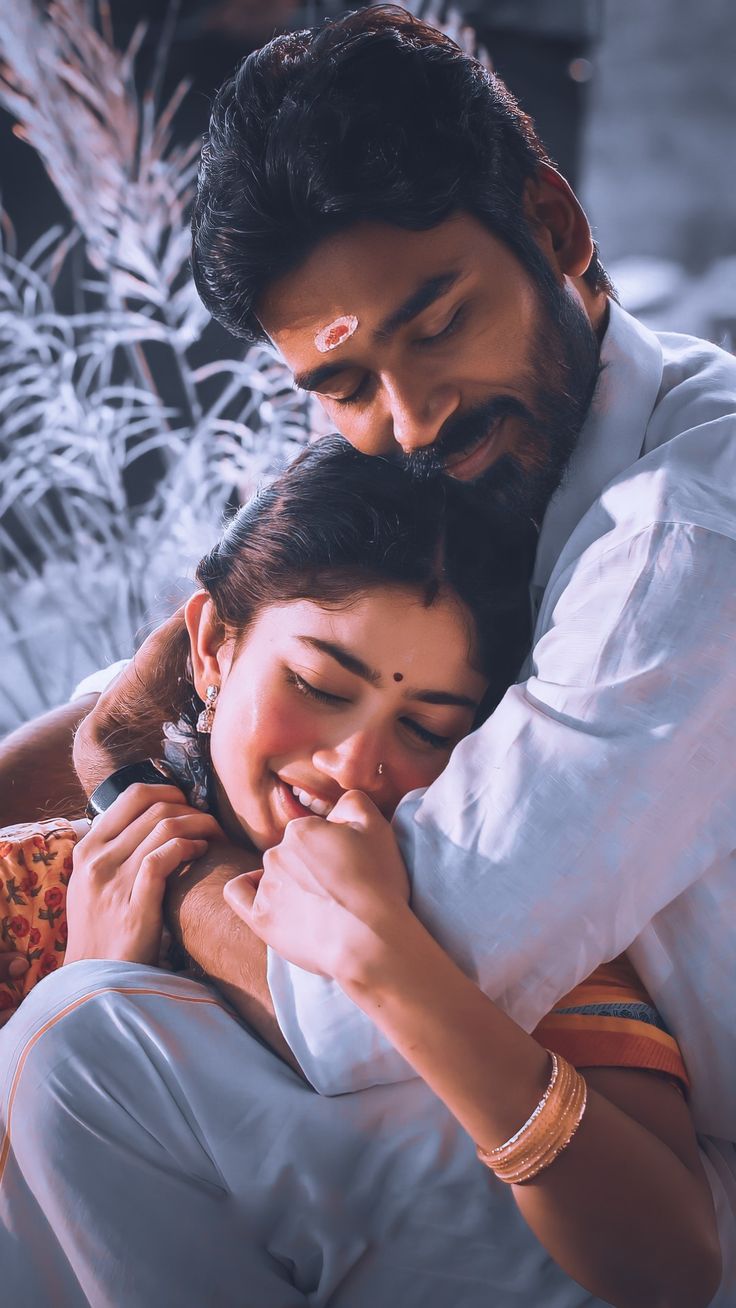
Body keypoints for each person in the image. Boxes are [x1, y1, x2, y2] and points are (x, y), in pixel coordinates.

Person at [0, 2, 734, 1297]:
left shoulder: (687, 531)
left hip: (691, 1194)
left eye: (439, 322)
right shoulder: (500, 454)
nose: (410, 417)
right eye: (341, 386)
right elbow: (189, 670)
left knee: (86, 1045)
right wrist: (111, 741)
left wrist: (154, 854)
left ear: (555, 225)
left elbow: (365, 998)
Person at [0, 439, 720, 1307]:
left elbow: (674, 1267)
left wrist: (390, 970)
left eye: (424, 729)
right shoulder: (112, 870)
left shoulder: (482, 880)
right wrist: (98, 965)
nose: (352, 761)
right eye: (318, 685)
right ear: (211, 648)